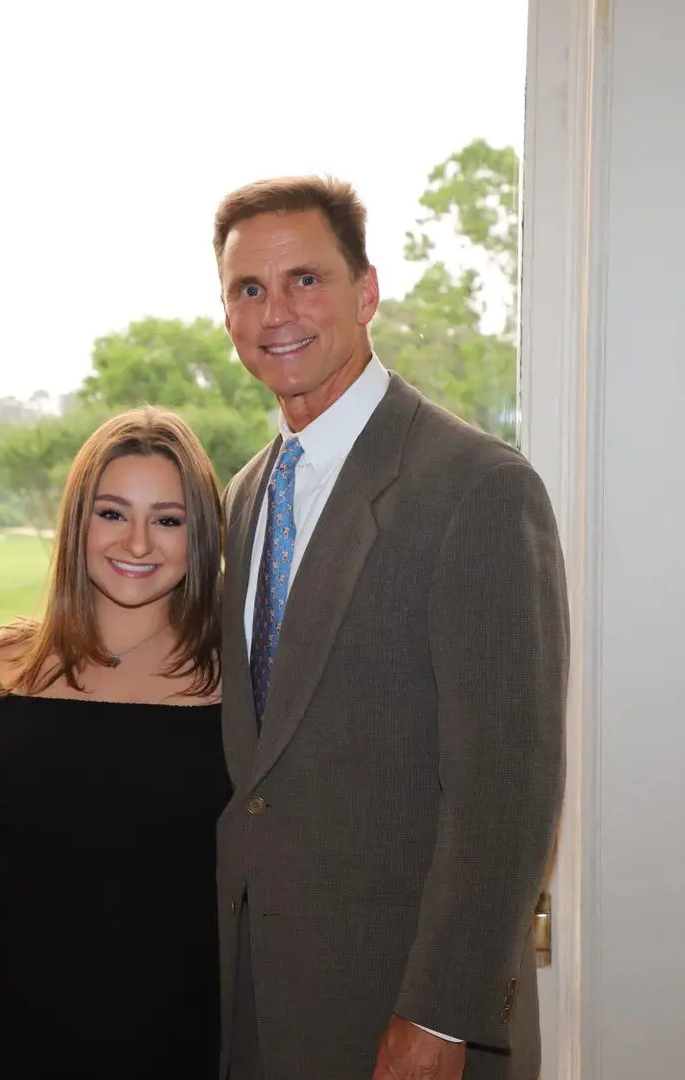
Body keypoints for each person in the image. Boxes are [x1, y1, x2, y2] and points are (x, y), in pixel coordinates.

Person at [212, 176, 568, 1080]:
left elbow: (508, 782)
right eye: (248, 289)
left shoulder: (476, 486)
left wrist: (442, 1018)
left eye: (306, 280)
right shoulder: (249, 493)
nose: (277, 311)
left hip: (403, 1014)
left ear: (366, 293)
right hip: (260, 1005)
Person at [0, 408, 231, 1080]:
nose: (137, 542)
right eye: (112, 513)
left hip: (187, 1038)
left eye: (168, 519)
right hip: (12, 1031)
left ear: (202, 533)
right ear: (77, 523)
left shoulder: (244, 681)